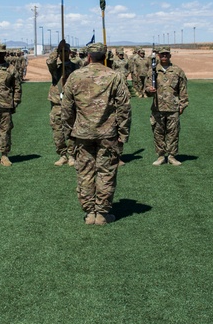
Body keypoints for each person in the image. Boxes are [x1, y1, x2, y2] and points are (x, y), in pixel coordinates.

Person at [61, 42, 131, 225]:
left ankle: (90, 212)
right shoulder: (114, 76)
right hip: (108, 134)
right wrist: (123, 134)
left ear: (89, 57)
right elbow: (124, 108)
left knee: (85, 173)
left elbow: (67, 108)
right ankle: (101, 212)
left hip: (82, 134)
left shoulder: (75, 76)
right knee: (105, 172)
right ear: (105, 57)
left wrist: (68, 132)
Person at [146, 46, 188, 165]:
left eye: (166, 54)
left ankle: (171, 156)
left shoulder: (177, 71)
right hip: (157, 107)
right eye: (162, 54)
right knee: (158, 132)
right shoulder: (153, 71)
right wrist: (149, 90)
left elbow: (183, 90)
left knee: (173, 133)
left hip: (173, 108)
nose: (164, 56)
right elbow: (147, 89)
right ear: (158, 56)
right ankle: (160, 156)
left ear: (170, 56)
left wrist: (182, 105)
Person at [46, 40, 79, 166]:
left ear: (69, 53)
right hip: (57, 103)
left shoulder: (75, 67)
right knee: (57, 131)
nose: (63, 53)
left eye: (65, 51)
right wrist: (56, 50)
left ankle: (72, 155)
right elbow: (50, 62)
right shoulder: (56, 67)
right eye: (61, 51)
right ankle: (62, 154)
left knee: (71, 130)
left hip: (71, 103)